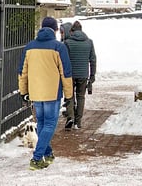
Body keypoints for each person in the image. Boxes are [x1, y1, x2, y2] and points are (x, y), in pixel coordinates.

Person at [18, 16, 73, 170]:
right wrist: (69, 95)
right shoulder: (58, 47)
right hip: (52, 92)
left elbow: (22, 72)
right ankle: (36, 158)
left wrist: (23, 91)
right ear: (55, 30)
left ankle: (48, 154)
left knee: (42, 123)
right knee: (49, 124)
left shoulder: (29, 47)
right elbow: (66, 73)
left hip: (35, 92)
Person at [62, 20, 96, 129]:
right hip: (83, 74)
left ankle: (70, 117)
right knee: (81, 97)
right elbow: (93, 60)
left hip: (70, 75)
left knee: (69, 96)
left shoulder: (67, 43)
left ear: (72, 31)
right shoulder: (89, 42)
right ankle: (78, 121)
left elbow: (64, 60)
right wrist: (92, 75)